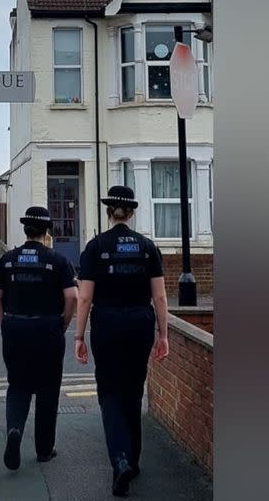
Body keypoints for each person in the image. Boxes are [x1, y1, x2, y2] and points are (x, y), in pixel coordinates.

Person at [74, 185, 170, 497]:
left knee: (110, 392)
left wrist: (79, 336)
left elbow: (85, 297)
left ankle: (121, 460)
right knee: (133, 389)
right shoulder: (147, 247)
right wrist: (164, 334)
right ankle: (134, 459)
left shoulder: (96, 247)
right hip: (141, 323)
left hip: (108, 324)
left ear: (108, 212)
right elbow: (159, 296)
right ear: (130, 213)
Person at [0, 206, 78, 471]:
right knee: (48, 389)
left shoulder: (7, 260)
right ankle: (43, 449)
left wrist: (4, 322)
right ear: (46, 231)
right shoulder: (58, 261)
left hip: (15, 327)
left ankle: (15, 429)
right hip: (48, 328)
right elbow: (73, 296)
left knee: (18, 385)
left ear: (25, 229)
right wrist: (63, 322)